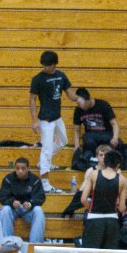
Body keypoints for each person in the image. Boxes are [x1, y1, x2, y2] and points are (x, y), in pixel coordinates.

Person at [67, 150, 127, 253]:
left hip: (94, 221)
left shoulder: (93, 175)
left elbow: (82, 199)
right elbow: (121, 208)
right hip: (112, 222)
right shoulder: (122, 180)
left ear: (104, 161)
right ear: (118, 165)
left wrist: (92, 210)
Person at [29, 50, 84, 194]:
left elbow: (70, 94)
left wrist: (78, 99)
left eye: (48, 65)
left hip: (57, 117)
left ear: (55, 64)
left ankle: (43, 162)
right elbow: (32, 99)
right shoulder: (38, 79)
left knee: (63, 141)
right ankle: (45, 183)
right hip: (46, 119)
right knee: (46, 149)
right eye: (44, 65)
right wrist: (35, 120)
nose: (46, 68)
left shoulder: (61, 75)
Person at [0, 157, 46, 244]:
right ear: (15, 168)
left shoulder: (35, 180)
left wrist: (31, 203)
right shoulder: (8, 179)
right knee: (4, 210)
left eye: (23, 168)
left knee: (38, 210)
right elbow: (3, 197)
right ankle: (7, 243)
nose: (20, 171)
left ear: (28, 168)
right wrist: (12, 202)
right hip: (13, 209)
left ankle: (35, 244)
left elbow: (40, 197)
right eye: (17, 168)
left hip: (28, 210)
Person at [72, 87, 120, 156]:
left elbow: (114, 124)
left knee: (118, 144)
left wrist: (115, 138)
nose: (82, 106)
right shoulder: (78, 110)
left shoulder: (103, 105)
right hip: (90, 135)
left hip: (105, 134)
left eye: (84, 104)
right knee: (89, 143)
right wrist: (77, 145)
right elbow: (76, 130)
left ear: (89, 99)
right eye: (79, 104)